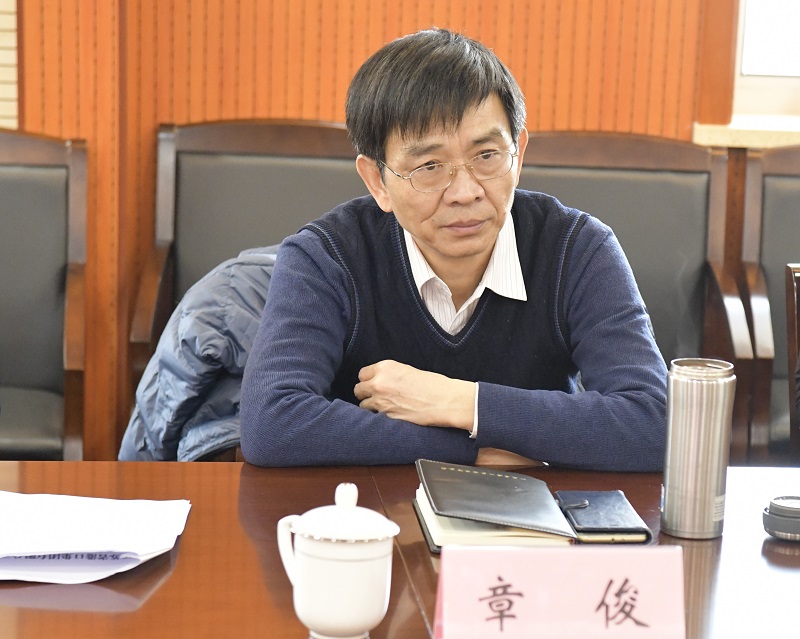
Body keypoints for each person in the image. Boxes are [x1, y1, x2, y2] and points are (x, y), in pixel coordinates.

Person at [240, 28, 667, 471]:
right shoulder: (326, 257)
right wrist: (470, 451)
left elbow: (655, 423)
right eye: (429, 166)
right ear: (377, 182)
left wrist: (460, 401)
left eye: (487, 156)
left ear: (518, 154)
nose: (465, 192)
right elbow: (271, 424)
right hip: (372, 508)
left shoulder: (577, 249)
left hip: (536, 509)